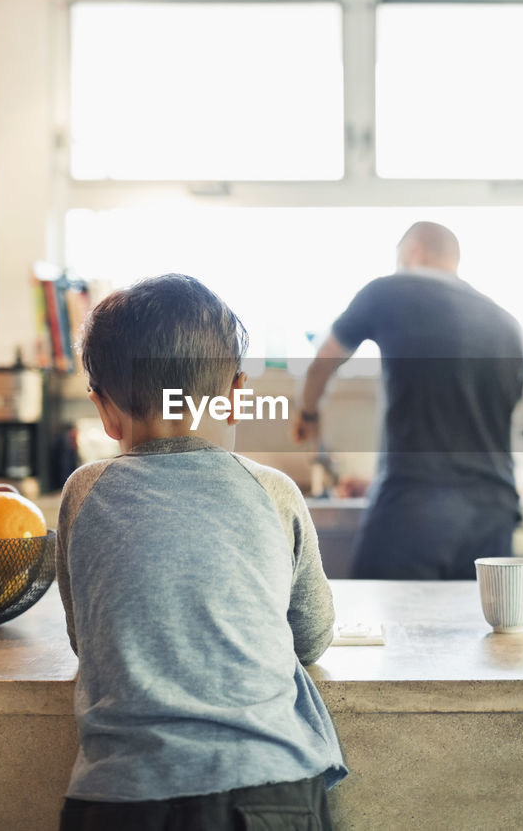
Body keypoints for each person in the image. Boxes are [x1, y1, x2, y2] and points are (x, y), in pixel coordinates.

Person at [57, 274, 347, 830]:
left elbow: (86, 640)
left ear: (104, 409)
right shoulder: (273, 491)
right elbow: (311, 636)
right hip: (269, 788)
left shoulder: (82, 492)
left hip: (119, 800)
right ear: (236, 395)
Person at [292, 222, 523, 580]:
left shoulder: (389, 291)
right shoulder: (509, 327)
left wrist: (308, 413)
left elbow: (323, 361)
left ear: (413, 253)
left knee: (378, 628)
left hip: (414, 514)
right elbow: (470, 439)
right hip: (493, 515)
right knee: (477, 633)